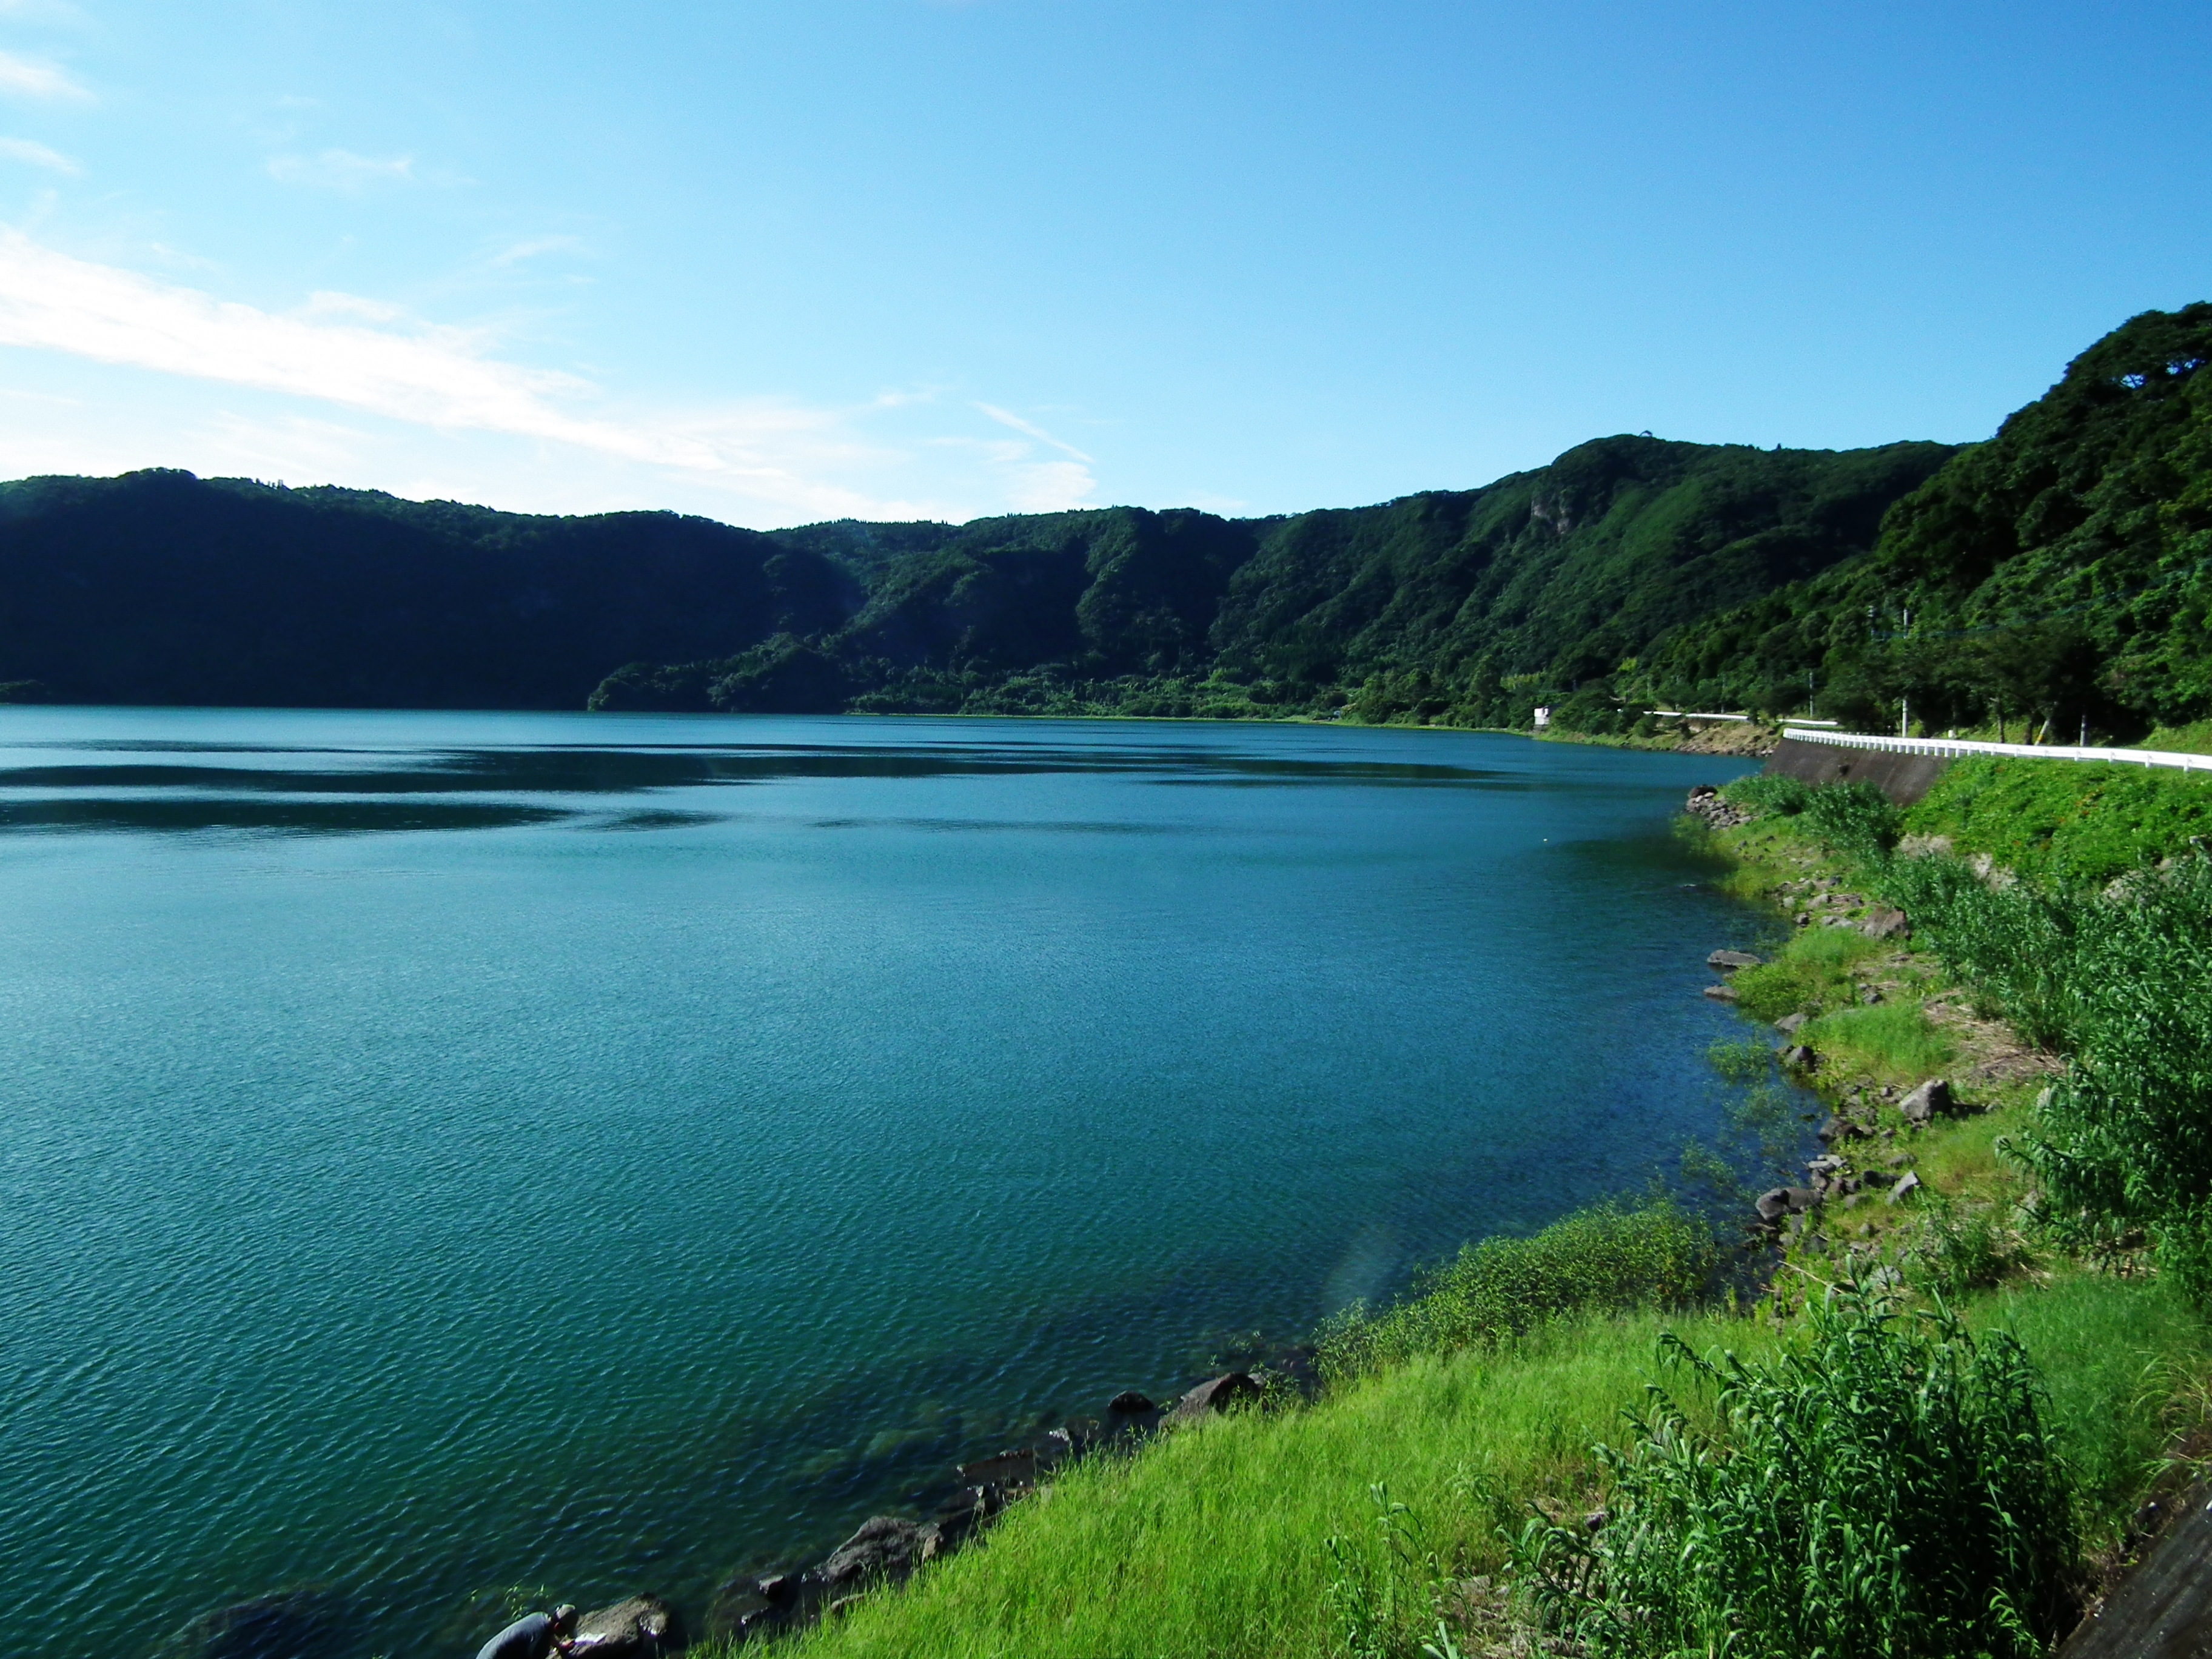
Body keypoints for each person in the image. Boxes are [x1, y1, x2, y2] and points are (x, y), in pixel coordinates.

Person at [475, 1603, 577, 1659]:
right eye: (565, 1633)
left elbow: (547, 1634)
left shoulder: (539, 1616)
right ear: (558, 1627)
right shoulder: (540, 1644)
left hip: (484, 1653)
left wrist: (560, 1647)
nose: (564, 1636)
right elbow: (542, 1638)